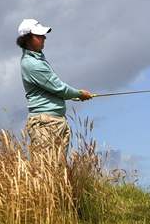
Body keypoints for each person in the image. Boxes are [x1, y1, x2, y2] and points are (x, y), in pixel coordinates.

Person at [17, 19, 93, 160]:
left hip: (53, 121)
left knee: (57, 169)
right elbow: (59, 88)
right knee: (46, 169)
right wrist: (79, 94)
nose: (44, 38)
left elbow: (52, 89)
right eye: (39, 36)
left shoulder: (37, 59)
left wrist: (76, 96)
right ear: (27, 39)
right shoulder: (32, 64)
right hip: (45, 123)